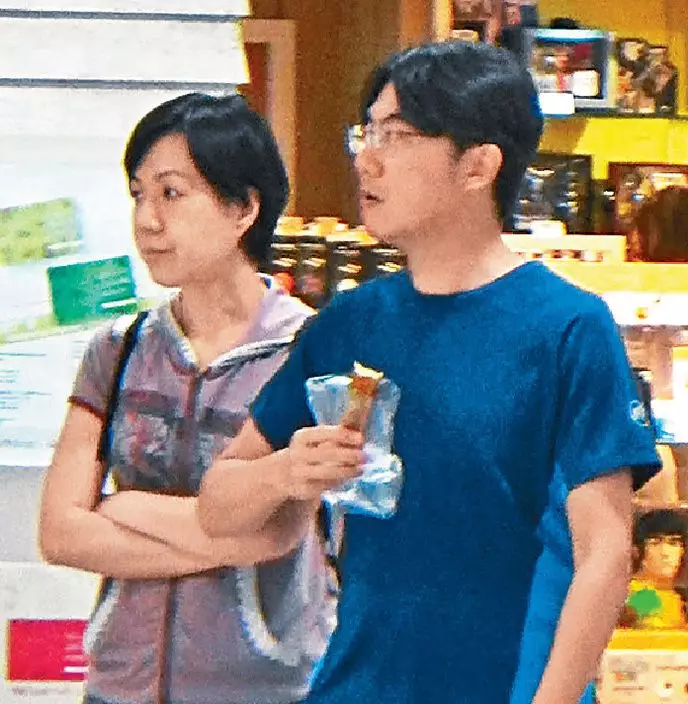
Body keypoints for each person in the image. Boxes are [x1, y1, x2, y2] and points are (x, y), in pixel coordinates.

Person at [197, 41, 661, 703]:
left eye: (397, 135)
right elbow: (218, 504)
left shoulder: (567, 327)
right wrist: (287, 472)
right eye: (366, 132)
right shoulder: (350, 322)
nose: (368, 158)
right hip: (356, 686)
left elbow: (605, 553)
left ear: (478, 165)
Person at [38, 93, 332, 704]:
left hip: (266, 688)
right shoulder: (118, 350)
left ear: (243, 207)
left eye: (171, 193)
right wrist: (225, 537)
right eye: (138, 195)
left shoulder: (308, 352)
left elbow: (278, 534)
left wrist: (124, 508)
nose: (147, 220)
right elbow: (61, 532)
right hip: (120, 685)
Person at [619, 509, 687, 629]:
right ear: (637, 551)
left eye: (673, 543)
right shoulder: (644, 595)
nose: (665, 552)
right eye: (655, 543)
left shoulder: (675, 596)